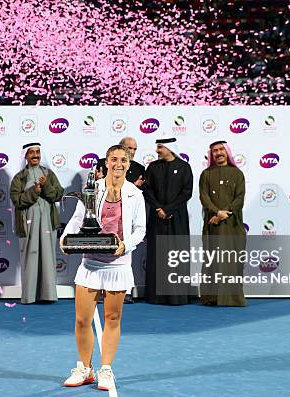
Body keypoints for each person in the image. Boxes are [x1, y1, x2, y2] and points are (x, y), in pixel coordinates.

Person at [60, 144, 146, 391]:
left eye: (123, 160)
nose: (118, 164)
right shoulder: (92, 189)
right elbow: (78, 220)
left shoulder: (134, 194)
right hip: (90, 263)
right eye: (113, 159)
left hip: (118, 265)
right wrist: (66, 238)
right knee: (81, 319)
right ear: (106, 163)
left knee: (112, 317)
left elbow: (140, 229)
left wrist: (125, 245)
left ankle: (105, 369)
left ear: (129, 165)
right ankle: (85, 369)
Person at [10, 142, 64, 304]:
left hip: (48, 222)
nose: (35, 155)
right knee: (30, 258)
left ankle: (48, 295)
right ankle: (29, 296)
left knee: (48, 257)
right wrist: (34, 192)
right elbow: (17, 200)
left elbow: (58, 195)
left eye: (38, 152)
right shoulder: (19, 178)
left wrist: (45, 185)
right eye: (31, 153)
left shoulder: (49, 174)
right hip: (28, 225)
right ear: (26, 156)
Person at [144, 137, 193, 305]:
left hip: (177, 218)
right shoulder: (152, 167)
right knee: (157, 254)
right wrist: (159, 208)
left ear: (169, 148)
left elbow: (187, 192)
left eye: (160, 147)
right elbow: (147, 190)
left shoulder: (184, 167)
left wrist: (169, 209)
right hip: (157, 218)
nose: (157, 150)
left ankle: (177, 296)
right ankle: (155, 296)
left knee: (176, 254)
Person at [199, 140, 247, 307]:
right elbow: (203, 197)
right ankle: (211, 298)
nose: (218, 153)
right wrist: (216, 212)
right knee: (212, 260)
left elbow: (239, 199)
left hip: (232, 226)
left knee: (231, 260)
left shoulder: (237, 174)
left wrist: (222, 214)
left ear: (227, 152)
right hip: (212, 226)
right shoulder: (206, 174)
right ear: (211, 154)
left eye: (221, 150)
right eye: (214, 151)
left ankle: (232, 299)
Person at [118, 137, 145, 303]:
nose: (132, 151)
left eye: (135, 149)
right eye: (129, 148)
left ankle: (126, 291)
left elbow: (142, 193)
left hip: (129, 218)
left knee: (126, 256)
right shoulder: (104, 163)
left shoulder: (140, 168)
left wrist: (134, 188)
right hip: (108, 216)